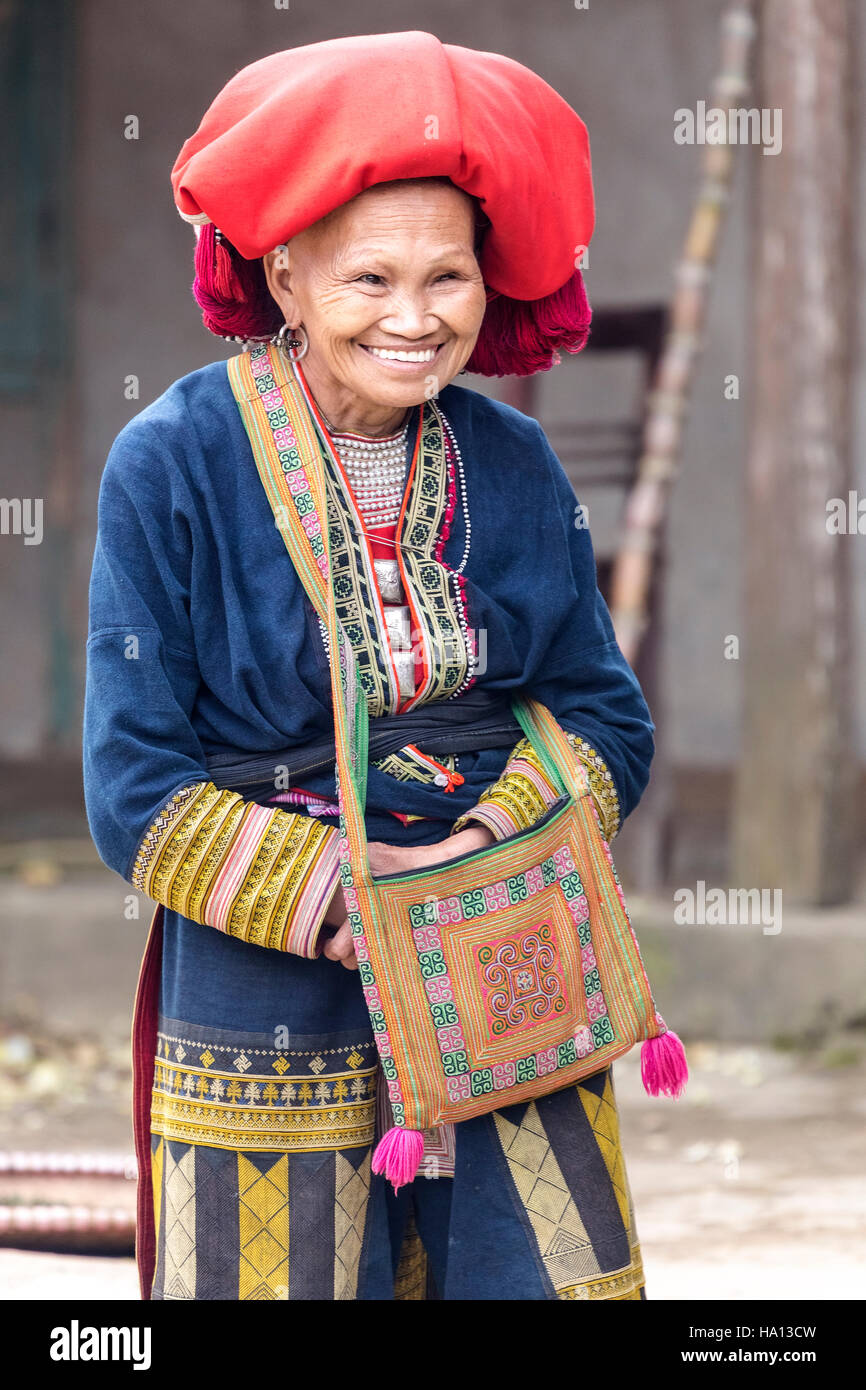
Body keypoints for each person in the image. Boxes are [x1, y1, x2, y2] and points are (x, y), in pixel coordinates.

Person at [84, 31, 655, 1301]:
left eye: (446, 276)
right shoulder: (172, 460)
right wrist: (351, 891)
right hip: (266, 969)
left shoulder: (513, 467)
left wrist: (467, 859)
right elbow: (133, 789)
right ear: (283, 272)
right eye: (368, 278)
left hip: (501, 943)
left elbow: (605, 722)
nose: (416, 319)